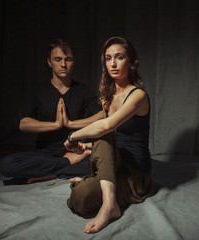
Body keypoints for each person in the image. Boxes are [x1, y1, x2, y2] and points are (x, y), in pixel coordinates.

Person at [63, 37, 152, 234]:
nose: (112, 63)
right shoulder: (108, 96)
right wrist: (87, 147)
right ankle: (101, 191)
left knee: (83, 196)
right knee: (79, 200)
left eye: (119, 57)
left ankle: (109, 204)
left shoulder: (137, 95)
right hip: (114, 164)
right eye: (108, 58)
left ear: (131, 61)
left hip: (134, 174)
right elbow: (108, 137)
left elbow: (108, 126)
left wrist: (72, 138)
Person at [0, 38, 105, 184]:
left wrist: (71, 123)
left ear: (73, 62)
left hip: (76, 150)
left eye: (68, 59)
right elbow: (21, 122)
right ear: (49, 62)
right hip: (45, 153)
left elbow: (103, 114)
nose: (63, 64)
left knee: (105, 161)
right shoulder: (38, 91)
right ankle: (65, 166)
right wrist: (55, 125)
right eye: (57, 59)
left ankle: (51, 173)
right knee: (7, 165)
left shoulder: (82, 91)